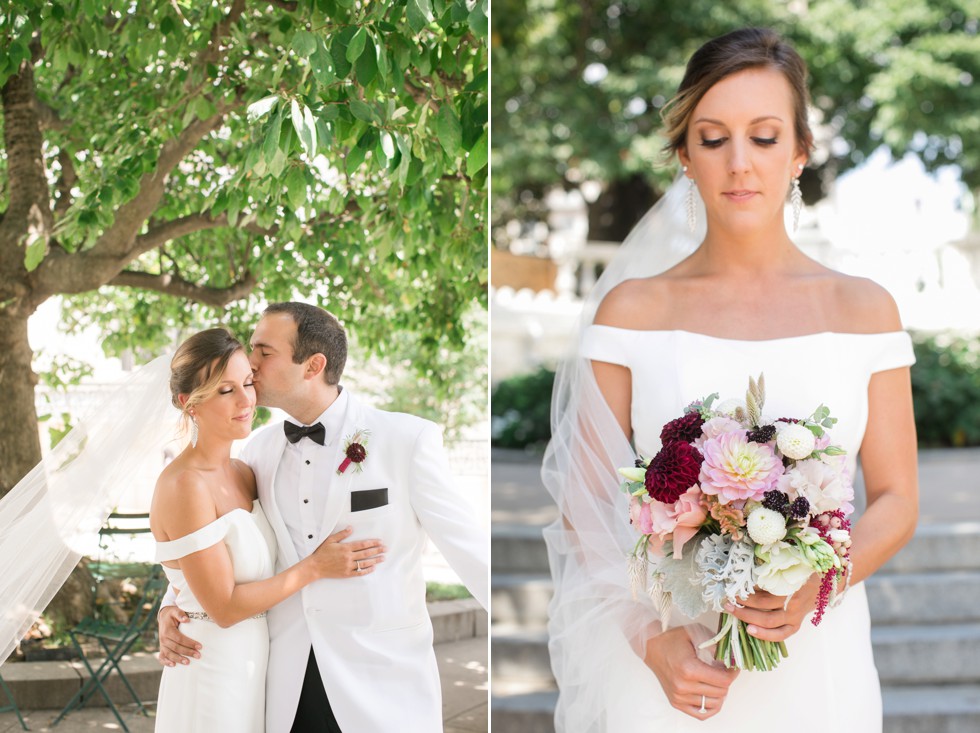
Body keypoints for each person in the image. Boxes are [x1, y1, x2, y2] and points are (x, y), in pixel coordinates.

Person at [542, 27, 918, 732]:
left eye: (765, 137)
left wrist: (819, 579)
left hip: (819, 662)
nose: (739, 163)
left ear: (801, 151)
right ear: (685, 155)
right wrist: (648, 641)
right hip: (674, 669)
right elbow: (583, 502)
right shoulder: (634, 309)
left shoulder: (866, 310)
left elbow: (897, 498)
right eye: (713, 139)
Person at [157, 302, 489, 733]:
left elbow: (472, 551)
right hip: (282, 683)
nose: (251, 366)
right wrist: (173, 606)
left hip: (381, 684)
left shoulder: (407, 440)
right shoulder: (257, 451)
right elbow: (218, 541)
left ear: (313, 365)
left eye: (263, 351)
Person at [151, 327, 386, 732]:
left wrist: (170, 603)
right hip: (210, 663)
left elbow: (200, 568)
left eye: (247, 383)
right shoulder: (183, 484)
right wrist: (315, 567)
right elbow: (222, 606)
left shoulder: (247, 470)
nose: (246, 401)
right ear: (189, 403)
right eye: (225, 391)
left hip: (261, 666)